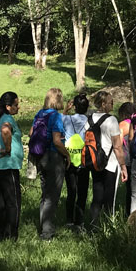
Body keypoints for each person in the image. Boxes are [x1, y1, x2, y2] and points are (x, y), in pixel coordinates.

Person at [33, 88, 71, 239]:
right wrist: (67, 155)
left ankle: (43, 225)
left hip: (40, 155)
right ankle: (47, 232)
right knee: (52, 196)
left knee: (45, 193)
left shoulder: (40, 114)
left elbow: (31, 133)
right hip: (54, 157)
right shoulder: (55, 116)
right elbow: (57, 140)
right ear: (58, 99)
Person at [87, 90, 128, 229]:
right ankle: (108, 227)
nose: (113, 104)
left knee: (97, 196)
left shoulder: (89, 119)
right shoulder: (112, 120)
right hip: (110, 164)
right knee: (110, 198)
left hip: (94, 163)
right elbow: (117, 147)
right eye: (111, 102)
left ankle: (94, 227)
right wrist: (123, 166)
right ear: (103, 104)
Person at [0, 91, 23, 241]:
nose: (18, 107)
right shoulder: (7, 119)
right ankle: (12, 235)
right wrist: (8, 148)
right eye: (16, 105)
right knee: (13, 202)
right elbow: (5, 131)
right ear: (8, 106)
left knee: (0, 202)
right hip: (7, 165)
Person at [62, 93, 90, 232]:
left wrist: (67, 109)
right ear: (87, 107)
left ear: (74, 106)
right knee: (82, 192)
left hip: (69, 159)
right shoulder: (90, 121)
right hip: (84, 160)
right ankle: (79, 222)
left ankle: (68, 220)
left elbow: (60, 118)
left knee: (71, 191)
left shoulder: (66, 118)